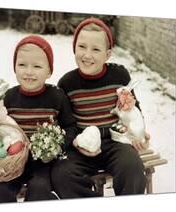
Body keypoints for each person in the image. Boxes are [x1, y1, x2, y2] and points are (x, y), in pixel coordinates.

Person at [0, 35, 77, 204]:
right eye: (22, 64)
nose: (28, 71)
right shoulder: (8, 98)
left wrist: (57, 146)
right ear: (15, 67)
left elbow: (71, 126)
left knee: (39, 190)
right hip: (11, 164)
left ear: (49, 71)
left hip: (44, 165)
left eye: (37, 66)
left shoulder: (57, 96)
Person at [51, 17, 150, 198]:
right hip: (82, 144)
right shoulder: (67, 83)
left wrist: (138, 132)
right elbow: (65, 122)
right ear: (74, 48)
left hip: (116, 142)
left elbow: (133, 108)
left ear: (108, 53)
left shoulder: (119, 75)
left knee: (132, 168)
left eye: (96, 49)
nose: (87, 55)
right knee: (62, 174)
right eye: (82, 47)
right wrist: (74, 143)